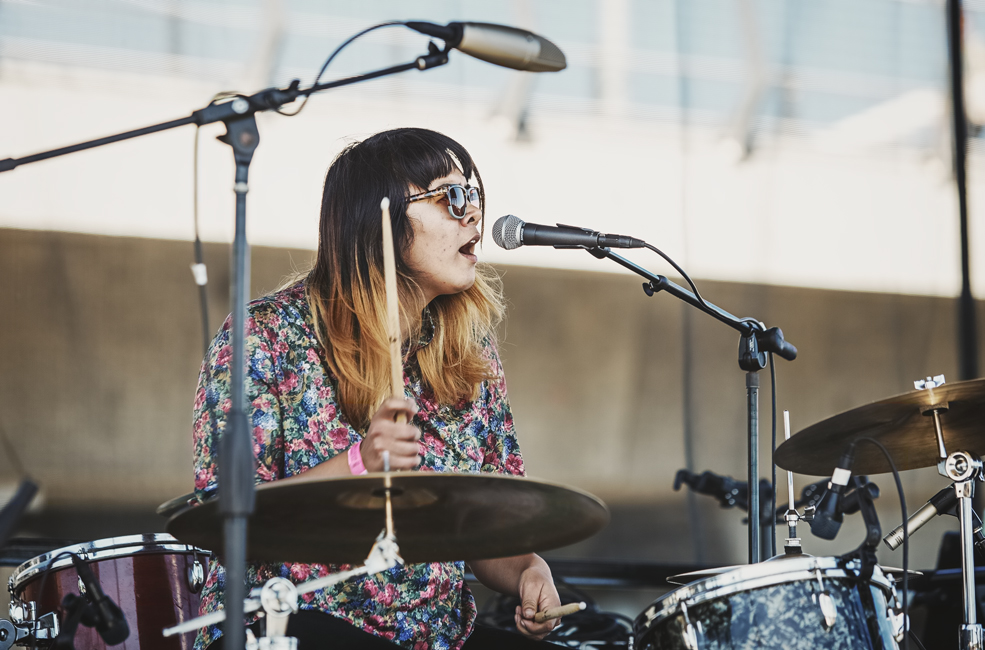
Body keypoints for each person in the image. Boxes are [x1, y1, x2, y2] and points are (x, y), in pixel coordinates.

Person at [191, 127, 562, 649]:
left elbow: (484, 526)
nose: (473, 213)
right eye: (450, 197)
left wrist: (528, 570)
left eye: (473, 194)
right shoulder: (265, 338)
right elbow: (223, 520)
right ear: (379, 218)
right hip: (288, 627)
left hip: (439, 638)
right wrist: (358, 465)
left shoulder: (470, 355)